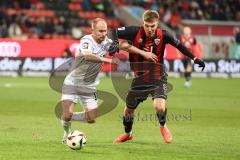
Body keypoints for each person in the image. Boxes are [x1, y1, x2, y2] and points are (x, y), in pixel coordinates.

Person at [111, 10, 205, 144]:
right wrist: (115, 43)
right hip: (139, 78)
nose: (149, 29)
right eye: (146, 25)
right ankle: (128, 134)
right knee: (128, 110)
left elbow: (180, 46)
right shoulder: (133, 31)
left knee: (159, 106)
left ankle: (163, 126)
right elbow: (113, 32)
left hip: (157, 75)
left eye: (152, 26)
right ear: (142, 23)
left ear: (157, 24)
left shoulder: (164, 35)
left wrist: (195, 58)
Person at [61, 18, 157, 143]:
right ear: (93, 31)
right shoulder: (86, 40)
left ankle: (67, 117)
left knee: (91, 118)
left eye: (105, 31)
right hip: (72, 82)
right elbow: (87, 56)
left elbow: (124, 46)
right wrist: (108, 61)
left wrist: (143, 54)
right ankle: (67, 133)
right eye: (100, 31)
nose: (103, 34)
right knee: (68, 114)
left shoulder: (107, 41)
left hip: (89, 85)